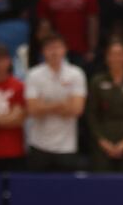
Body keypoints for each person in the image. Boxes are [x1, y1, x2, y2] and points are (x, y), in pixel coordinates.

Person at [25, 35, 87, 170]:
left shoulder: (76, 74)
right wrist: (62, 105)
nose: (54, 52)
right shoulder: (33, 75)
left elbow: (77, 109)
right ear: (43, 51)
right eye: (50, 48)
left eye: (58, 47)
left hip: (66, 145)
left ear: (65, 49)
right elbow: (32, 110)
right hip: (39, 143)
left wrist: (43, 106)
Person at [86, 40, 123, 172]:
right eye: (112, 54)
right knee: (101, 179)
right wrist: (102, 141)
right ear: (107, 57)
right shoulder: (97, 81)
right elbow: (91, 114)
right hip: (103, 139)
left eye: (120, 54)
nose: (116, 58)